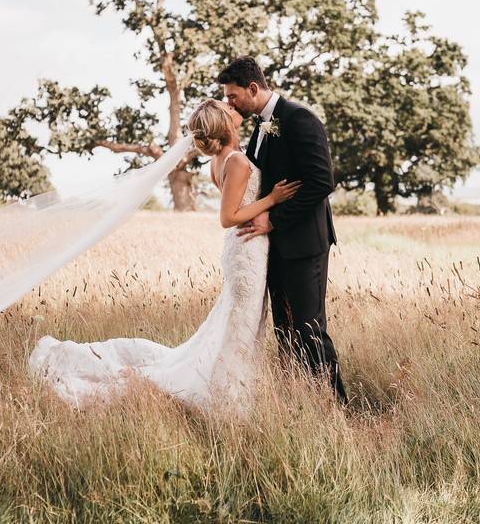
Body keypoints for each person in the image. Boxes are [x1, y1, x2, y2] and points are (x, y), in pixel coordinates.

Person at [27, 99, 299, 414]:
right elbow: (228, 216)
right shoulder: (235, 160)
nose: (232, 107)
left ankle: (231, 395)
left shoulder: (219, 161)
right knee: (239, 327)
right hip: (246, 248)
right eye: (227, 108)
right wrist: (272, 199)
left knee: (234, 325)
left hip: (243, 248)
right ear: (224, 123)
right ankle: (225, 401)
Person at [219, 56, 348, 404]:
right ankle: (301, 404)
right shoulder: (260, 128)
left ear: (253, 88)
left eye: (232, 96)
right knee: (285, 332)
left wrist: (272, 219)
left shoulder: (299, 119)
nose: (229, 103)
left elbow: (322, 181)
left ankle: (338, 408)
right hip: (273, 247)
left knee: (309, 330)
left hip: (304, 244)